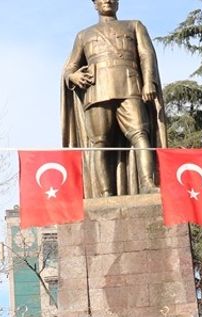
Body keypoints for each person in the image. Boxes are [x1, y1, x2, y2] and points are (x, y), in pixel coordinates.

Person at [62, 0, 165, 197]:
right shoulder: (84, 35)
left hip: (130, 87)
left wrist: (149, 82)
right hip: (97, 92)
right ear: (95, 5)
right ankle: (105, 193)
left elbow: (146, 54)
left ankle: (147, 183)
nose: (107, 1)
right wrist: (73, 76)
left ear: (118, 3)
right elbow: (69, 68)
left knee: (140, 134)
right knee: (99, 143)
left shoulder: (134, 25)